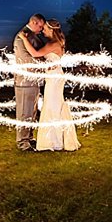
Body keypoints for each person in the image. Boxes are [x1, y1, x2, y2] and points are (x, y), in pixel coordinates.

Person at [17, 18, 81, 152]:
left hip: (54, 79)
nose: (42, 30)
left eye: (45, 28)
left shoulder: (53, 44)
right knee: (54, 105)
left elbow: (35, 53)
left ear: (51, 30)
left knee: (51, 106)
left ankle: (52, 141)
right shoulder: (57, 43)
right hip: (54, 76)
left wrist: (23, 38)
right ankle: (55, 139)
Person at [13, 14, 46, 152]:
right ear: (33, 22)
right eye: (40, 25)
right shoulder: (22, 37)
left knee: (31, 112)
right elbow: (26, 59)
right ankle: (22, 142)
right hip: (25, 81)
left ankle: (29, 137)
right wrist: (46, 63)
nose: (41, 29)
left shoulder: (31, 36)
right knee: (24, 112)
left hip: (34, 80)